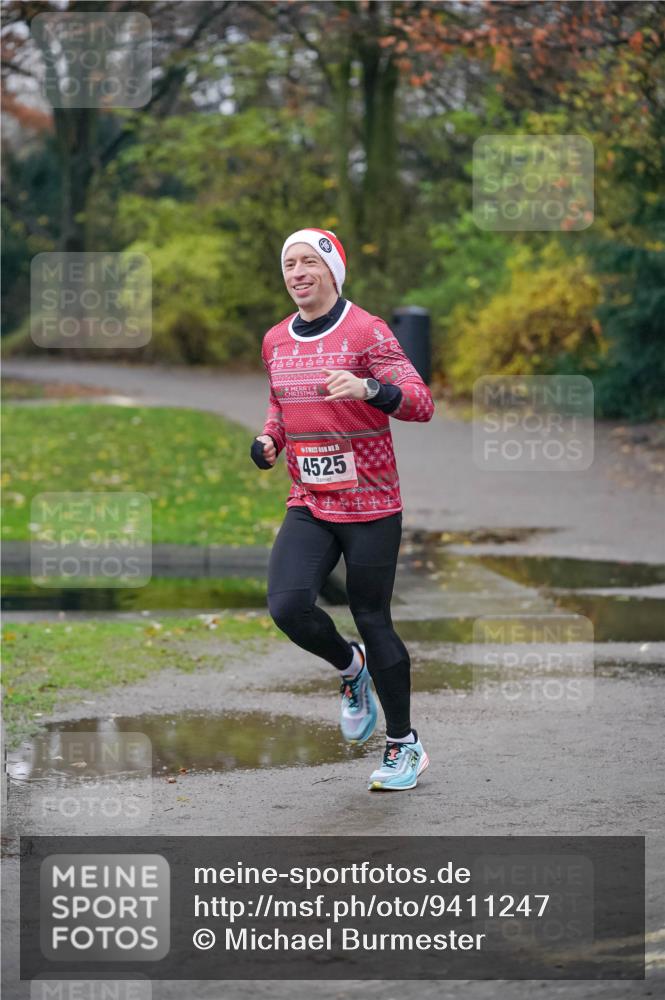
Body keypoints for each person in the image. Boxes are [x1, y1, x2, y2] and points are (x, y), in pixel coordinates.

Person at [250, 228, 434, 791]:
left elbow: (421, 403)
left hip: (373, 501)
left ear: (333, 271)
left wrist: (368, 389)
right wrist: (270, 439)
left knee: (373, 616)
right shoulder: (276, 340)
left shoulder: (367, 331)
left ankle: (405, 745)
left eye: (310, 262)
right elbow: (281, 402)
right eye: (289, 263)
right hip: (310, 499)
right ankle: (350, 669)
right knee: (287, 606)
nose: (298, 272)